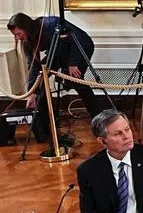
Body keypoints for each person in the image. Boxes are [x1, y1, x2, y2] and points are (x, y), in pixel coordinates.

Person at [7, 11, 102, 149]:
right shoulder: (28, 42)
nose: (17, 38)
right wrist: (31, 92)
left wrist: (72, 63)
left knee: (76, 80)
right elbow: (33, 66)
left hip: (80, 46)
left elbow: (75, 41)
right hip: (58, 51)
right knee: (41, 76)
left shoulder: (51, 25)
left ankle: (97, 116)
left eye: (18, 33)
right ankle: (45, 124)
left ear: (26, 27)